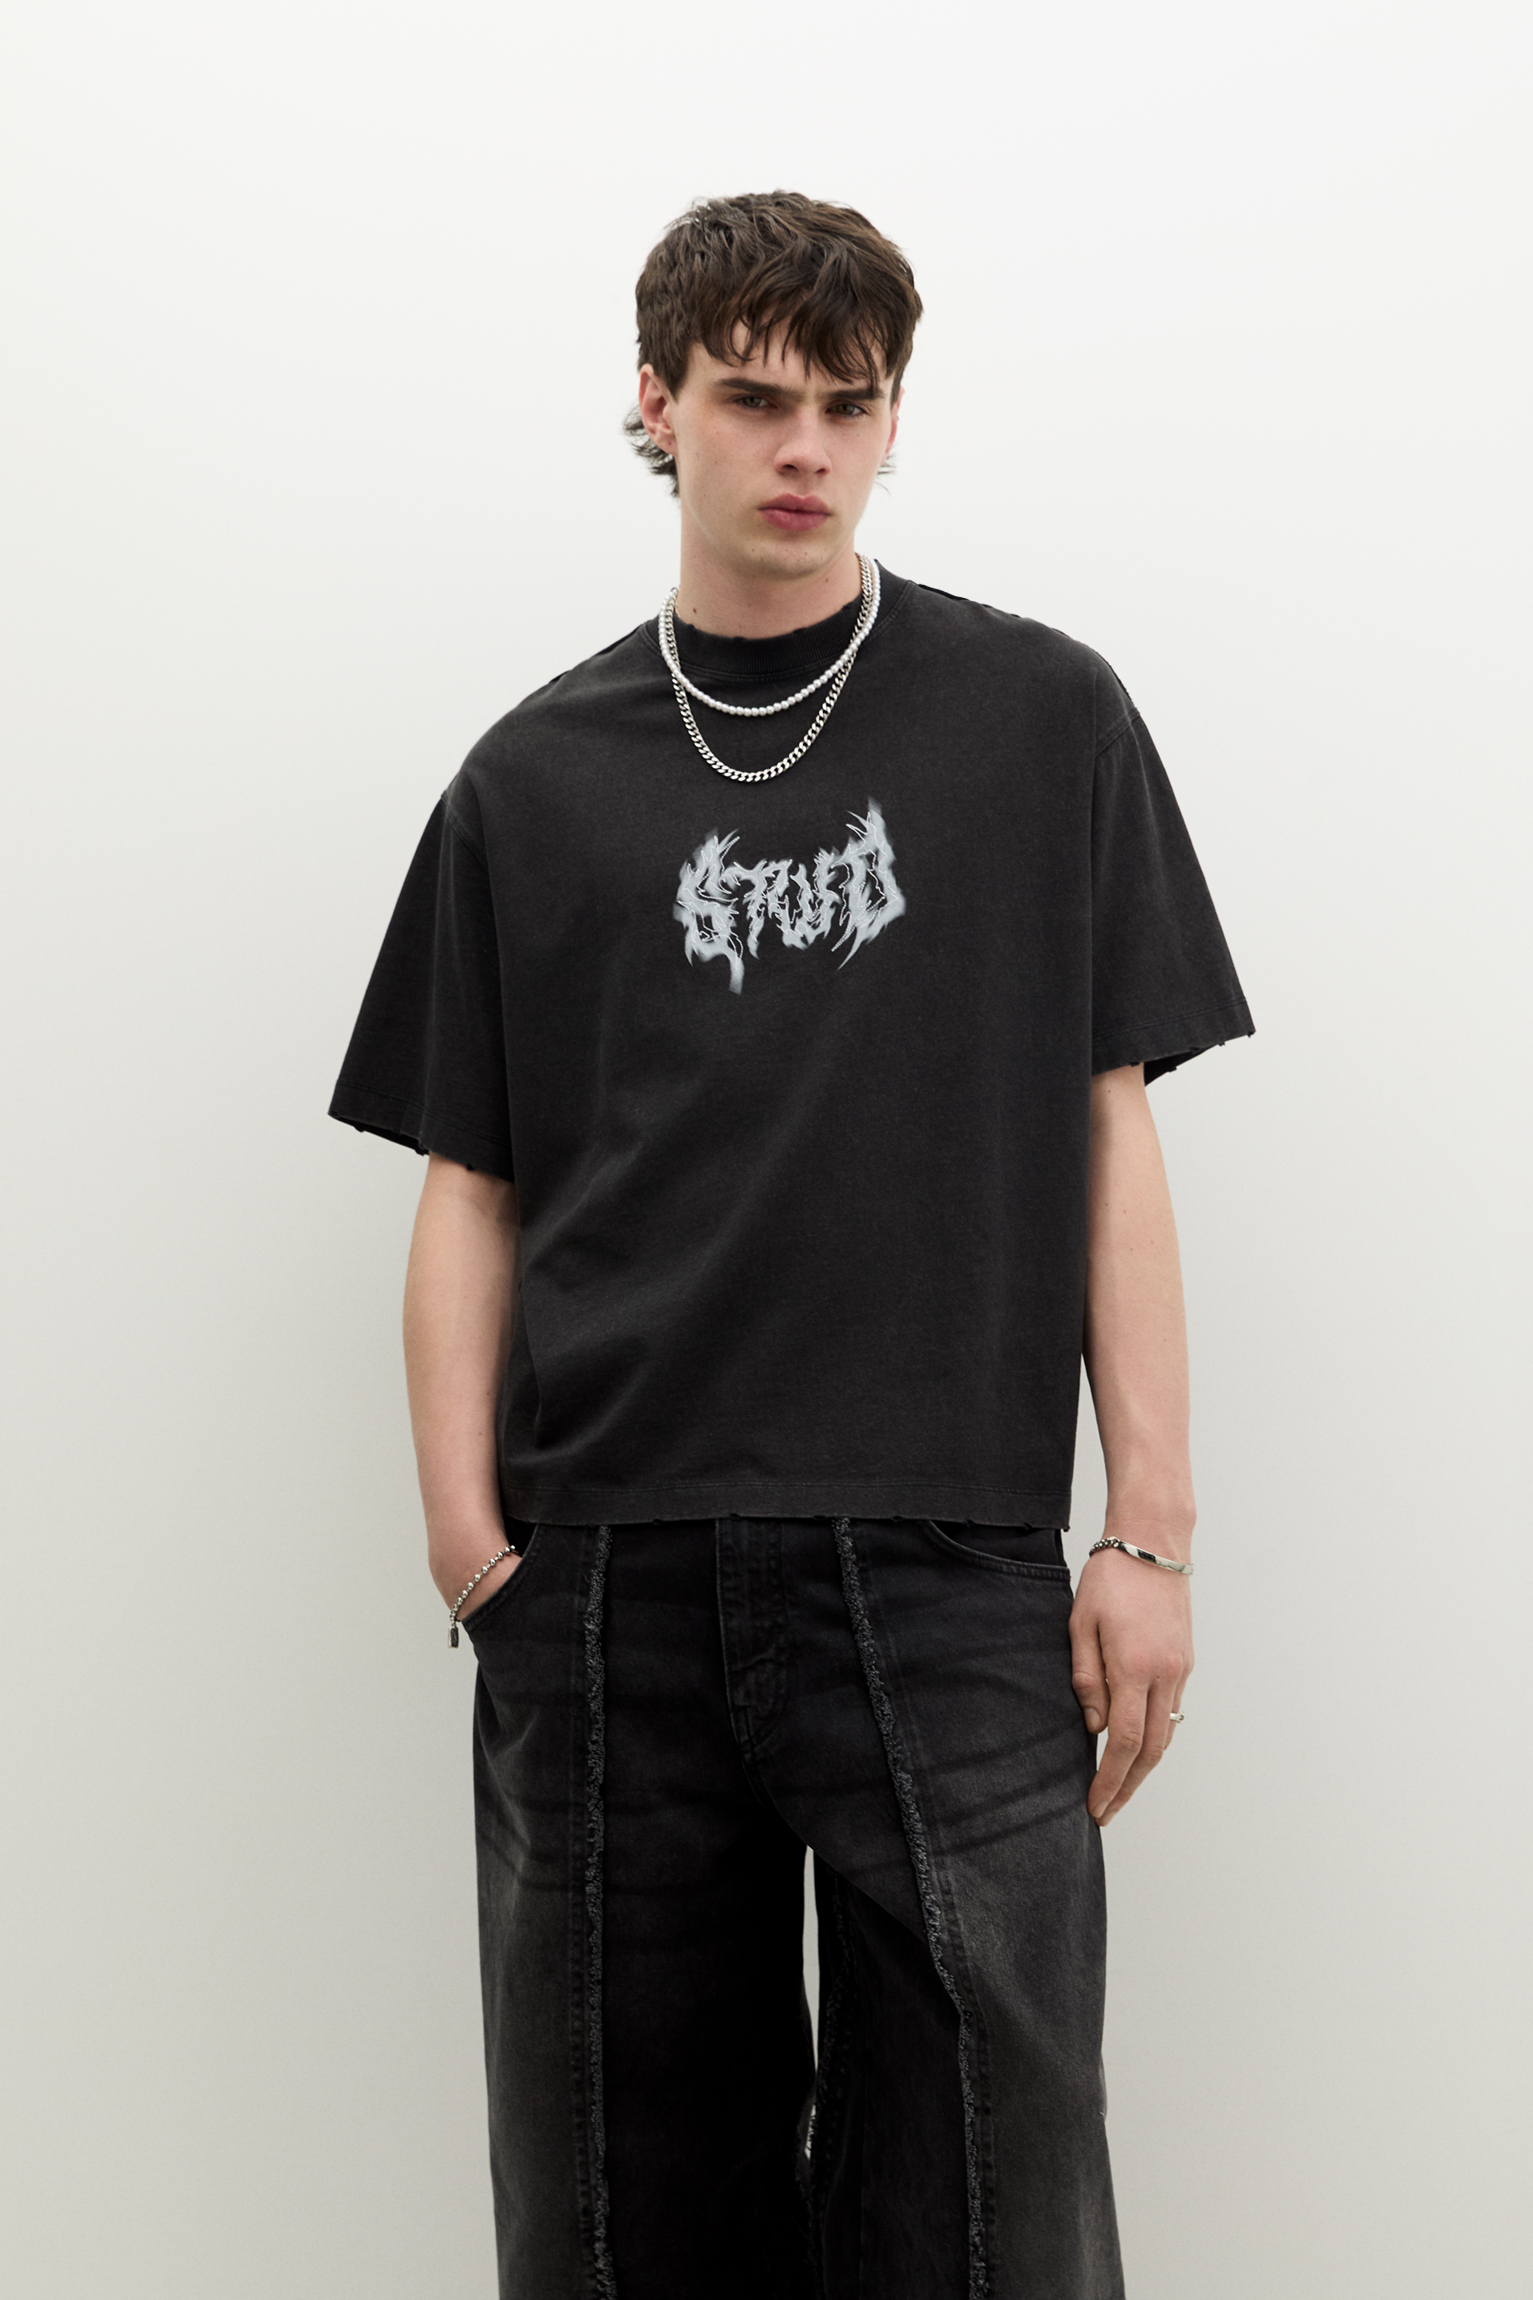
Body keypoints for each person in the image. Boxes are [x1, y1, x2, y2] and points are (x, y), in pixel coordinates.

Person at [329, 190, 1253, 2300]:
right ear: (657, 403)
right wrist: (471, 1545)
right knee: (620, 2216)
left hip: (946, 1564)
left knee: (996, 2215)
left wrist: (1150, 1530)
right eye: (755, 399)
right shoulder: (530, 779)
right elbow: (469, 1183)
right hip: (605, 1581)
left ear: (893, 416)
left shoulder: (1041, 722)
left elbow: (1105, 1123)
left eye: (850, 403)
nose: (807, 447)